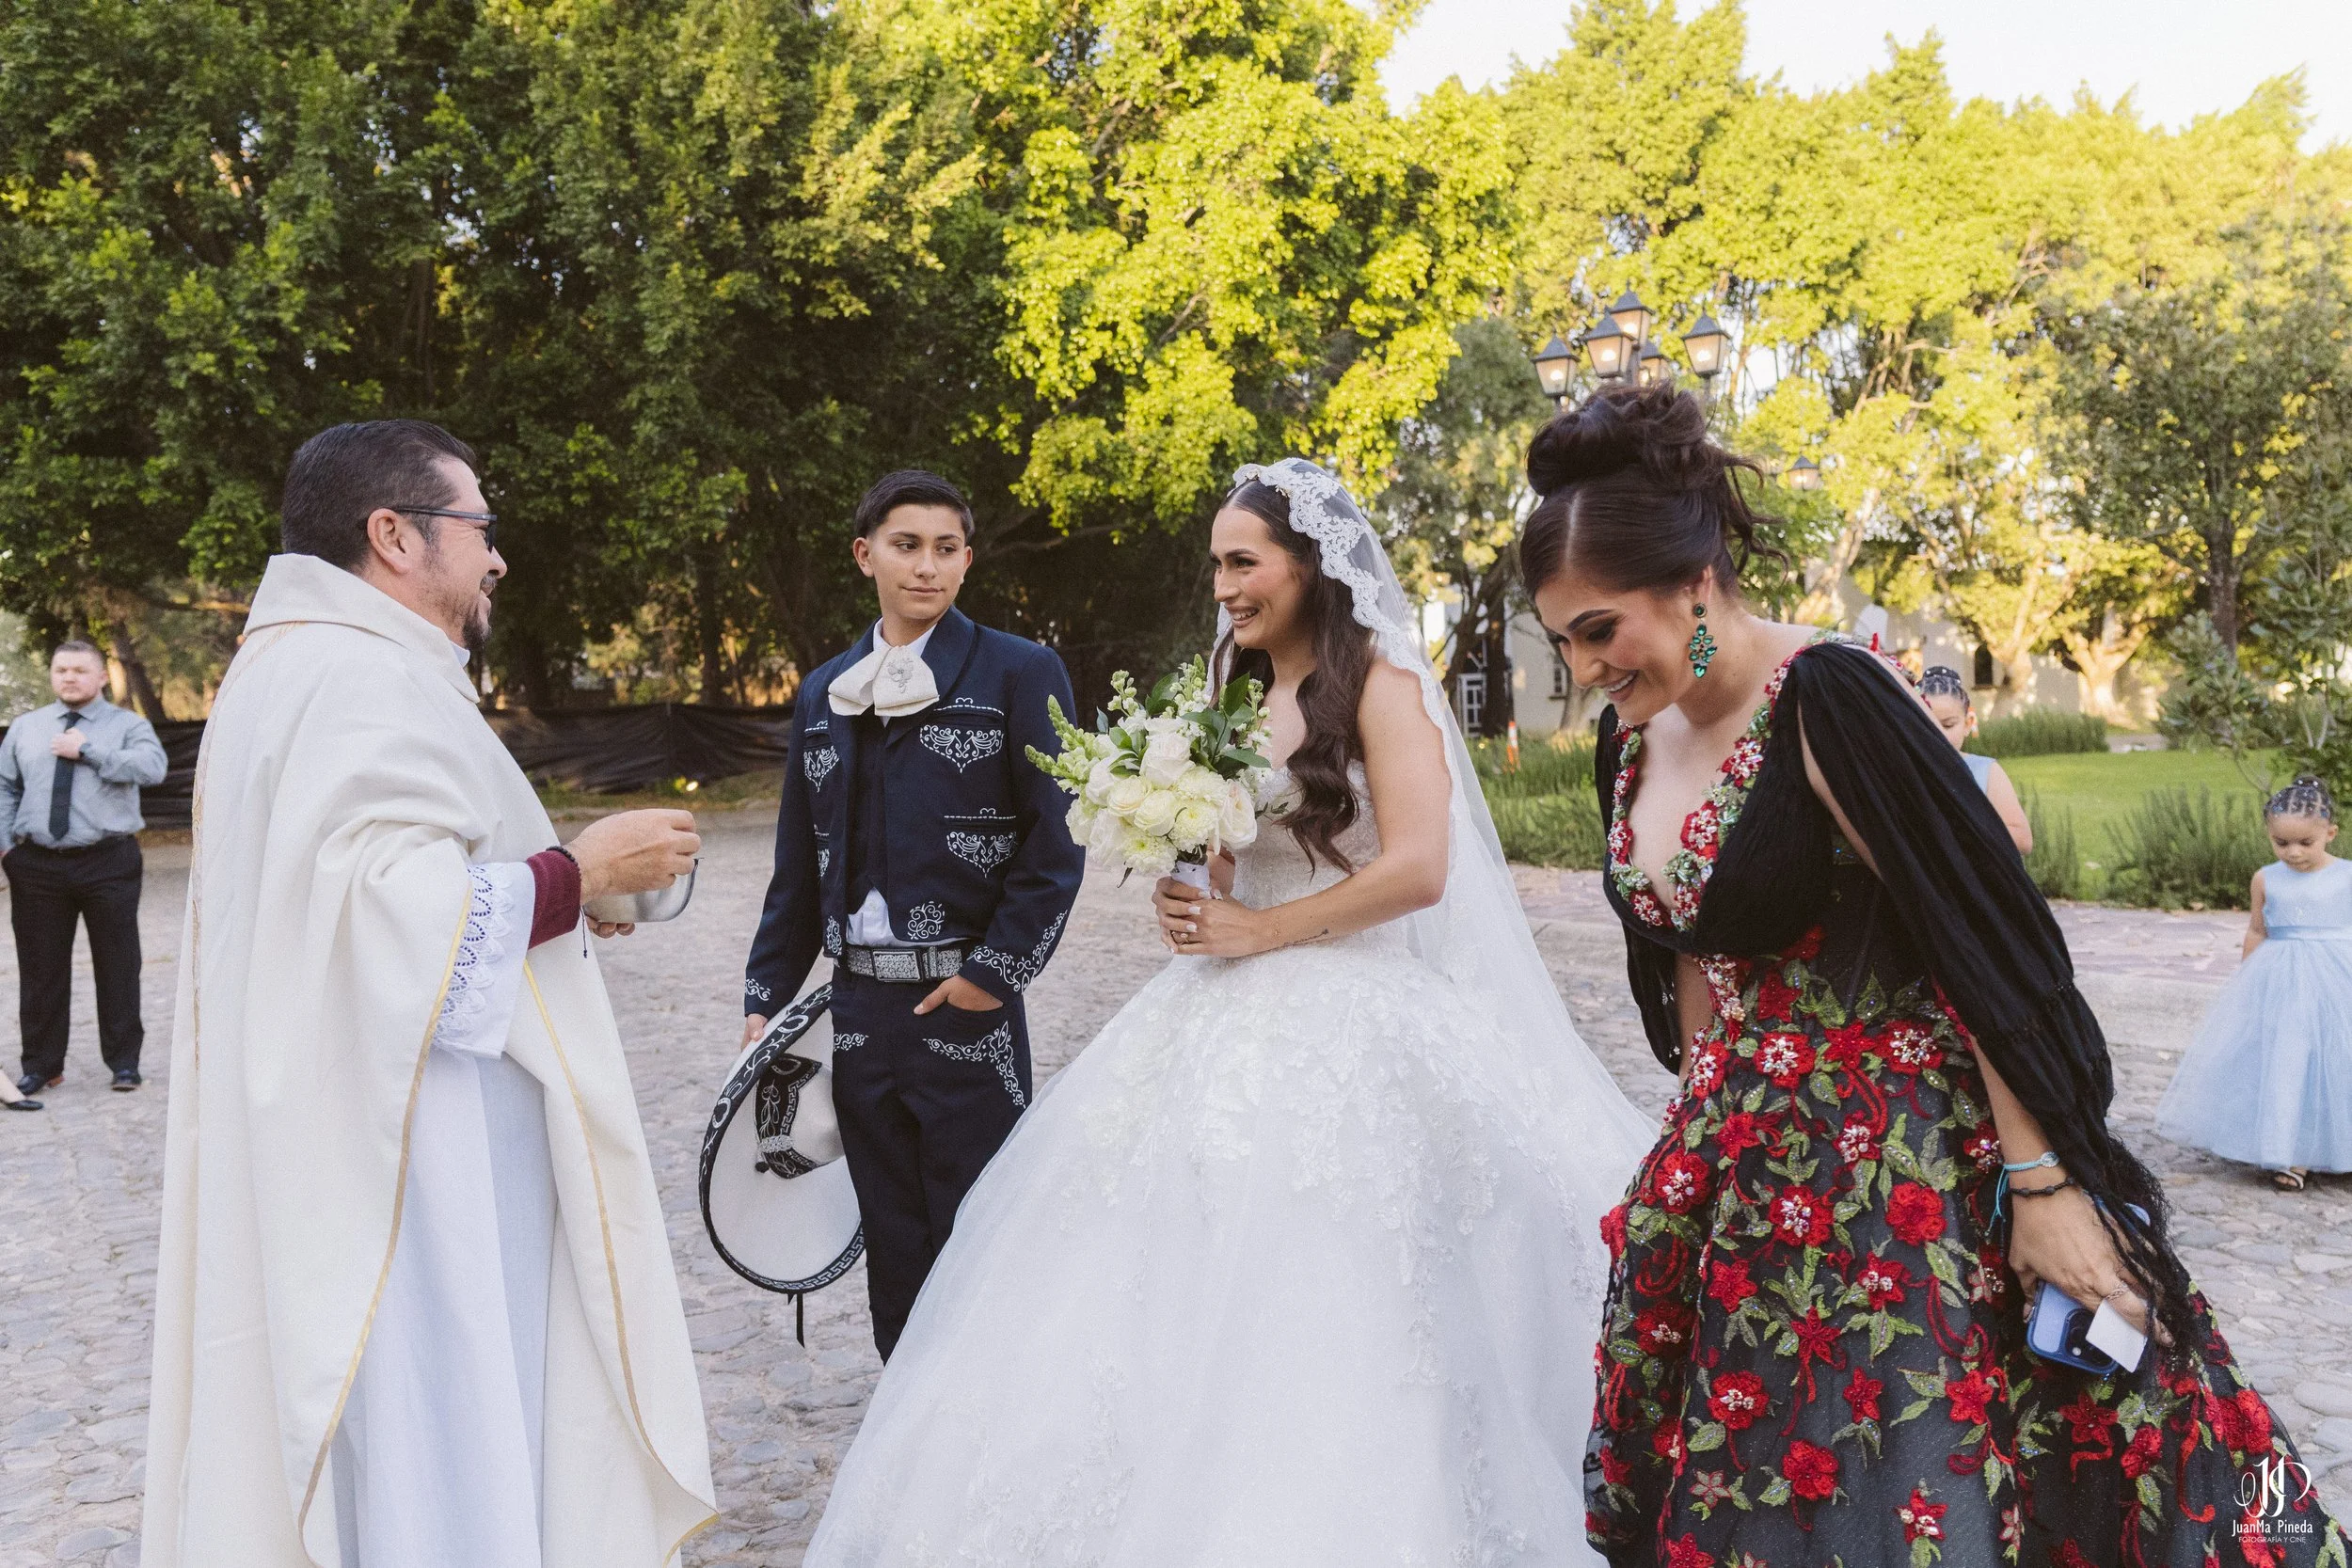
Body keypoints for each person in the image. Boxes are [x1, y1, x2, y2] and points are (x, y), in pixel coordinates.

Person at [1527, 383, 2342, 1565]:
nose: (1583, 663)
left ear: (1693, 578)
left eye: (1598, 628)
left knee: (1932, 1457)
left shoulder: (1830, 699)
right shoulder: (1630, 733)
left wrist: (2047, 1186)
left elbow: (1980, 936)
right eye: (1561, 638)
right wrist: (1702, 1120)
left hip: (1900, 1165)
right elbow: (1694, 947)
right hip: (1736, 1162)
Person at [801, 459, 1651, 1566]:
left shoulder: (1386, 683)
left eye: (1241, 562)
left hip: (1350, 1009)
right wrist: (1192, 890)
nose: (1223, 586)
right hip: (1210, 1007)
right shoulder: (1229, 688)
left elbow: (1419, 869)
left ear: (1309, 564)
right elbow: (1228, 855)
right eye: (1216, 565)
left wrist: (1261, 931)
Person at [143, 420, 715, 1568]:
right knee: (442, 1427)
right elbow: (396, 921)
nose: (497, 556)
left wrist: (561, 899)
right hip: (417, 1150)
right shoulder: (354, 675)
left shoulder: (305, 661)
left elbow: (358, 894)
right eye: (479, 526)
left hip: (344, 1106)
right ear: (393, 534)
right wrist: (579, 870)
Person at [741, 469, 1086, 1360]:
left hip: (965, 1005)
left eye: (945, 548)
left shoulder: (1021, 671)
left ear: (968, 560)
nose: (926, 567)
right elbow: (796, 863)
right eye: (906, 545)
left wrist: (990, 976)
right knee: (892, 1237)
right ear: (866, 555)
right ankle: (907, 1433)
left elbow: (1058, 846)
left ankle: (994, 1416)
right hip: (859, 1012)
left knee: (983, 1225)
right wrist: (766, 994)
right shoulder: (824, 691)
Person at [2157, 776, 2352, 1193]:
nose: (2293, 853)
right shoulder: (2267, 878)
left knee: (2339, 1061)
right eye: (2282, 843)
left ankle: (2343, 1148)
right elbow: (2258, 930)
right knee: (2289, 1058)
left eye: (2305, 843)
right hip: (2283, 976)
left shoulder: (2347, 876)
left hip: (2339, 977)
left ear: (2330, 833)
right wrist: (2249, 978)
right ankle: (2292, 1153)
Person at [0, 640, 168, 1095]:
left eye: (79, 670)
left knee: (118, 963)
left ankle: (124, 1064)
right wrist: (6, 851)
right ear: (52, 676)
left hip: (108, 861)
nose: (69, 677)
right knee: (40, 969)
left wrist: (90, 751)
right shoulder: (26, 728)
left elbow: (154, 768)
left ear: (99, 677)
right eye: (60, 670)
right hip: (36, 866)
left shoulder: (127, 725)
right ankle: (41, 1065)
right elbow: (4, 787)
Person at [1919, 663, 2033, 853]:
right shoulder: (1906, 768)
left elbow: (2022, 840)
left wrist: (1960, 829)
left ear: (1967, 724)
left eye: (1948, 725)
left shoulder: (1985, 771)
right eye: (1927, 725)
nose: (1939, 736)